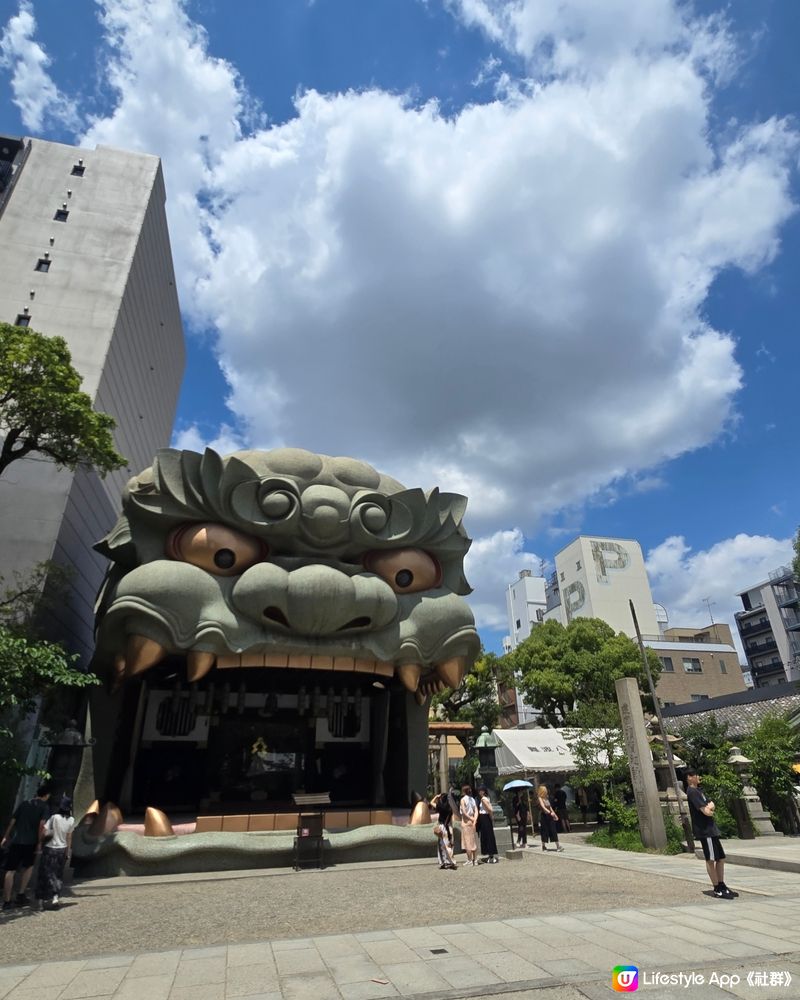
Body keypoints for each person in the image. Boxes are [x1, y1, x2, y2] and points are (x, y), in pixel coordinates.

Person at [685, 769, 737, 900]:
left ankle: (722, 883)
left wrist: (709, 807)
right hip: (704, 830)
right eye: (696, 775)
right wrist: (709, 808)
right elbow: (706, 810)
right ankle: (716, 888)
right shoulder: (691, 792)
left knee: (721, 858)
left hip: (711, 829)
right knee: (711, 859)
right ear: (690, 777)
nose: (699, 777)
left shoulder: (699, 791)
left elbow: (711, 804)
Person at [2, 784, 51, 910]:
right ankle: (21, 894)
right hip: (31, 842)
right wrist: (40, 842)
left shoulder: (24, 804)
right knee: (28, 867)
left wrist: (6, 836)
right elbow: (42, 825)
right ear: (46, 795)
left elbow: (12, 821)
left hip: (17, 840)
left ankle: (6, 901)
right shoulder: (44, 807)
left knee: (10, 870)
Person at [35, 795, 75, 910]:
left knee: (44, 874)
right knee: (57, 874)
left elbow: (45, 832)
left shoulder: (53, 818)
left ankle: (40, 902)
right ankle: (55, 897)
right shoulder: (71, 820)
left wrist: (40, 841)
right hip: (62, 849)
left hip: (49, 849)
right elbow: (69, 837)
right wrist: (67, 851)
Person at [537, 784, 564, 852]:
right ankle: (544, 846)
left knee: (553, 830)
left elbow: (550, 807)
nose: (546, 791)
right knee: (544, 831)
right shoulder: (540, 798)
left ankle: (558, 846)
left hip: (550, 816)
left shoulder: (546, 798)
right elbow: (543, 807)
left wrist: (554, 814)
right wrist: (549, 813)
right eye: (545, 790)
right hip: (544, 816)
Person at [476, 785, 499, 864]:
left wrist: (491, 814)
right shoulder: (487, 798)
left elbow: (490, 809)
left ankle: (491, 855)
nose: (479, 792)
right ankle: (490, 855)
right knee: (488, 835)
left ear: (483, 791)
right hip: (485, 818)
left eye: (481, 790)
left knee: (487, 836)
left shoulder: (483, 799)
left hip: (484, 818)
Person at [434, 797, 457, 870]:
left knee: (441, 846)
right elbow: (449, 819)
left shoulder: (440, 807)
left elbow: (433, 804)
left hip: (441, 827)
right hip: (448, 827)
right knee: (449, 845)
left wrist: (437, 797)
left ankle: (443, 862)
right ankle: (451, 862)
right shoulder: (449, 809)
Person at [459, 784, 479, 866]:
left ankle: (469, 860)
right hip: (472, 820)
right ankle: (476, 860)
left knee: (467, 842)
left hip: (466, 821)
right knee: (473, 841)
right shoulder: (472, 799)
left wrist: (470, 819)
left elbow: (463, 812)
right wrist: (474, 819)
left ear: (463, 791)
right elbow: (476, 810)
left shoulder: (463, 800)